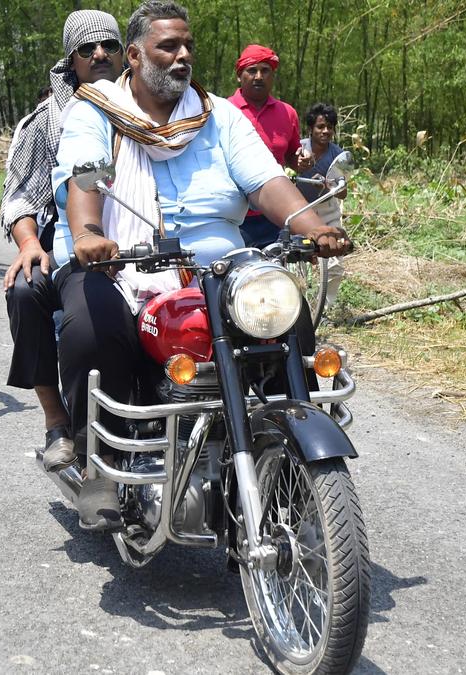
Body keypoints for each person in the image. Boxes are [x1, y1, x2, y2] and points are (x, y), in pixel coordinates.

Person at [50, 1, 351, 529]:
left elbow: (265, 182)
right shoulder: (95, 110)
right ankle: (99, 456)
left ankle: (293, 462)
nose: (183, 56)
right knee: (87, 325)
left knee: (288, 323)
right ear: (137, 54)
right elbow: (83, 179)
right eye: (169, 47)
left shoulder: (219, 115)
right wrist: (89, 235)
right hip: (123, 262)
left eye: (188, 46)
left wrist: (312, 226)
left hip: (221, 263)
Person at [1, 9, 125, 473]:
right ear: (70, 61)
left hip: (144, 235)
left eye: (109, 46)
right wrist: (30, 242)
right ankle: (57, 419)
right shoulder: (44, 121)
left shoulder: (149, 108)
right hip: (67, 238)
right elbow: (16, 198)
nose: (99, 54)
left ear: (126, 54)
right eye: (87, 48)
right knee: (25, 288)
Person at [227, 44, 314, 248]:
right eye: (252, 70)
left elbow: (292, 157)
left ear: (273, 76)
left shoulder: (287, 113)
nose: (259, 76)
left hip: (275, 215)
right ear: (240, 76)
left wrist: (303, 159)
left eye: (265, 71)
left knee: (275, 276)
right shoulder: (224, 111)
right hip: (234, 216)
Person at [297, 102, 347, 309]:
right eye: (320, 127)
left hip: (327, 210)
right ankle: (298, 309)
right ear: (311, 129)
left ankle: (325, 310)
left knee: (334, 264)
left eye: (329, 127)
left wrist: (329, 186)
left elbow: (343, 192)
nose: (325, 131)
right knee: (298, 262)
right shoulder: (299, 149)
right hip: (300, 210)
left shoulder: (338, 155)